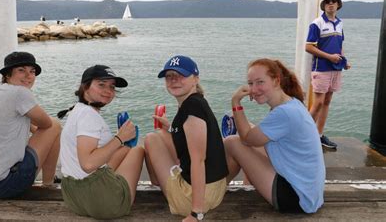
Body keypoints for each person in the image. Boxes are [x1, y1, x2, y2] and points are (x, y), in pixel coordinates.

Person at [224, 58, 325, 213]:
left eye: (260, 82)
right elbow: (253, 136)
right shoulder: (293, 104)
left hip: (295, 197)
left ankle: (212, 191)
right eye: (250, 83)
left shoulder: (284, 113)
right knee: (248, 131)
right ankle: (229, 185)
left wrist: (236, 102)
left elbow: (246, 138)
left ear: (276, 81)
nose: (254, 89)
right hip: (307, 192)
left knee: (232, 142)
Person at [0, 51, 61, 199]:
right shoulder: (20, 93)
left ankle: (49, 180)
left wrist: (39, 134)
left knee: (46, 131)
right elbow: (47, 124)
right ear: (8, 75)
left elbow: (17, 122)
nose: (29, 76)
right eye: (21, 70)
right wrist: (44, 137)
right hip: (4, 185)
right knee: (55, 125)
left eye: (32, 71)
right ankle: (48, 183)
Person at [144, 55, 228, 221]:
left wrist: (196, 213)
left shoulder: (192, 107)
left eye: (180, 75)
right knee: (162, 133)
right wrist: (171, 127)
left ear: (195, 79)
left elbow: (198, 161)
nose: (174, 80)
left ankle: (160, 183)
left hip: (193, 199)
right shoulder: (196, 102)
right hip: (215, 189)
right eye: (169, 76)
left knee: (151, 139)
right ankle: (164, 181)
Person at [58, 65, 145, 219]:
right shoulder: (89, 116)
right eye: (101, 84)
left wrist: (123, 144)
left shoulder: (77, 111)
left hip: (74, 198)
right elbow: (88, 164)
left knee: (127, 150)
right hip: (106, 205)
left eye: (112, 87)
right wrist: (120, 138)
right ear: (86, 87)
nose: (108, 90)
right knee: (138, 151)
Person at [305, 0, 351, 150]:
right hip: (321, 68)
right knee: (318, 103)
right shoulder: (316, 23)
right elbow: (308, 47)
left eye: (334, 1)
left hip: (336, 69)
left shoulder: (340, 23)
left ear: (338, 5)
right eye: (327, 2)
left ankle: (318, 135)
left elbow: (340, 44)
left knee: (327, 102)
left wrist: (344, 60)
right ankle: (304, 135)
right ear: (324, 6)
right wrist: (329, 57)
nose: (331, 4)